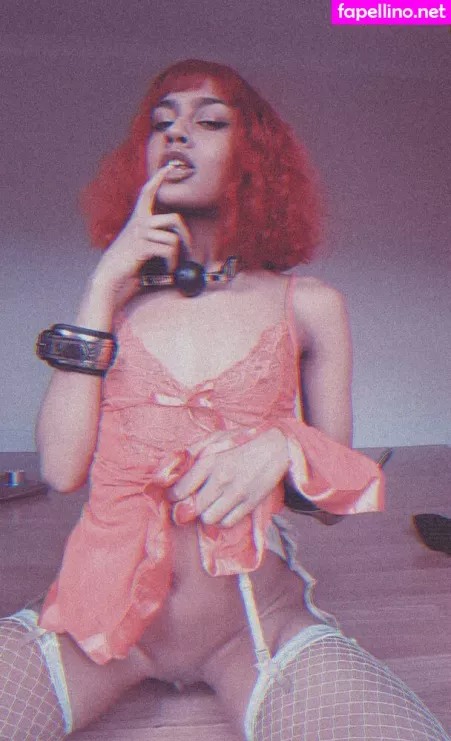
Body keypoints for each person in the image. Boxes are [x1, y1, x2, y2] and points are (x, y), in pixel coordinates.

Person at [0, 59, 448, 741]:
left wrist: (284, 444)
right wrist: (100, 285)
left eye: (209, 122)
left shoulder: (310, 305)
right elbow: (61, 470)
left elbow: (333, 502)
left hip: (257, 630)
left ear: (253, 158)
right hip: (91, 627)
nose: (177, 134)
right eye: (162, 123)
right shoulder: (115, 306)